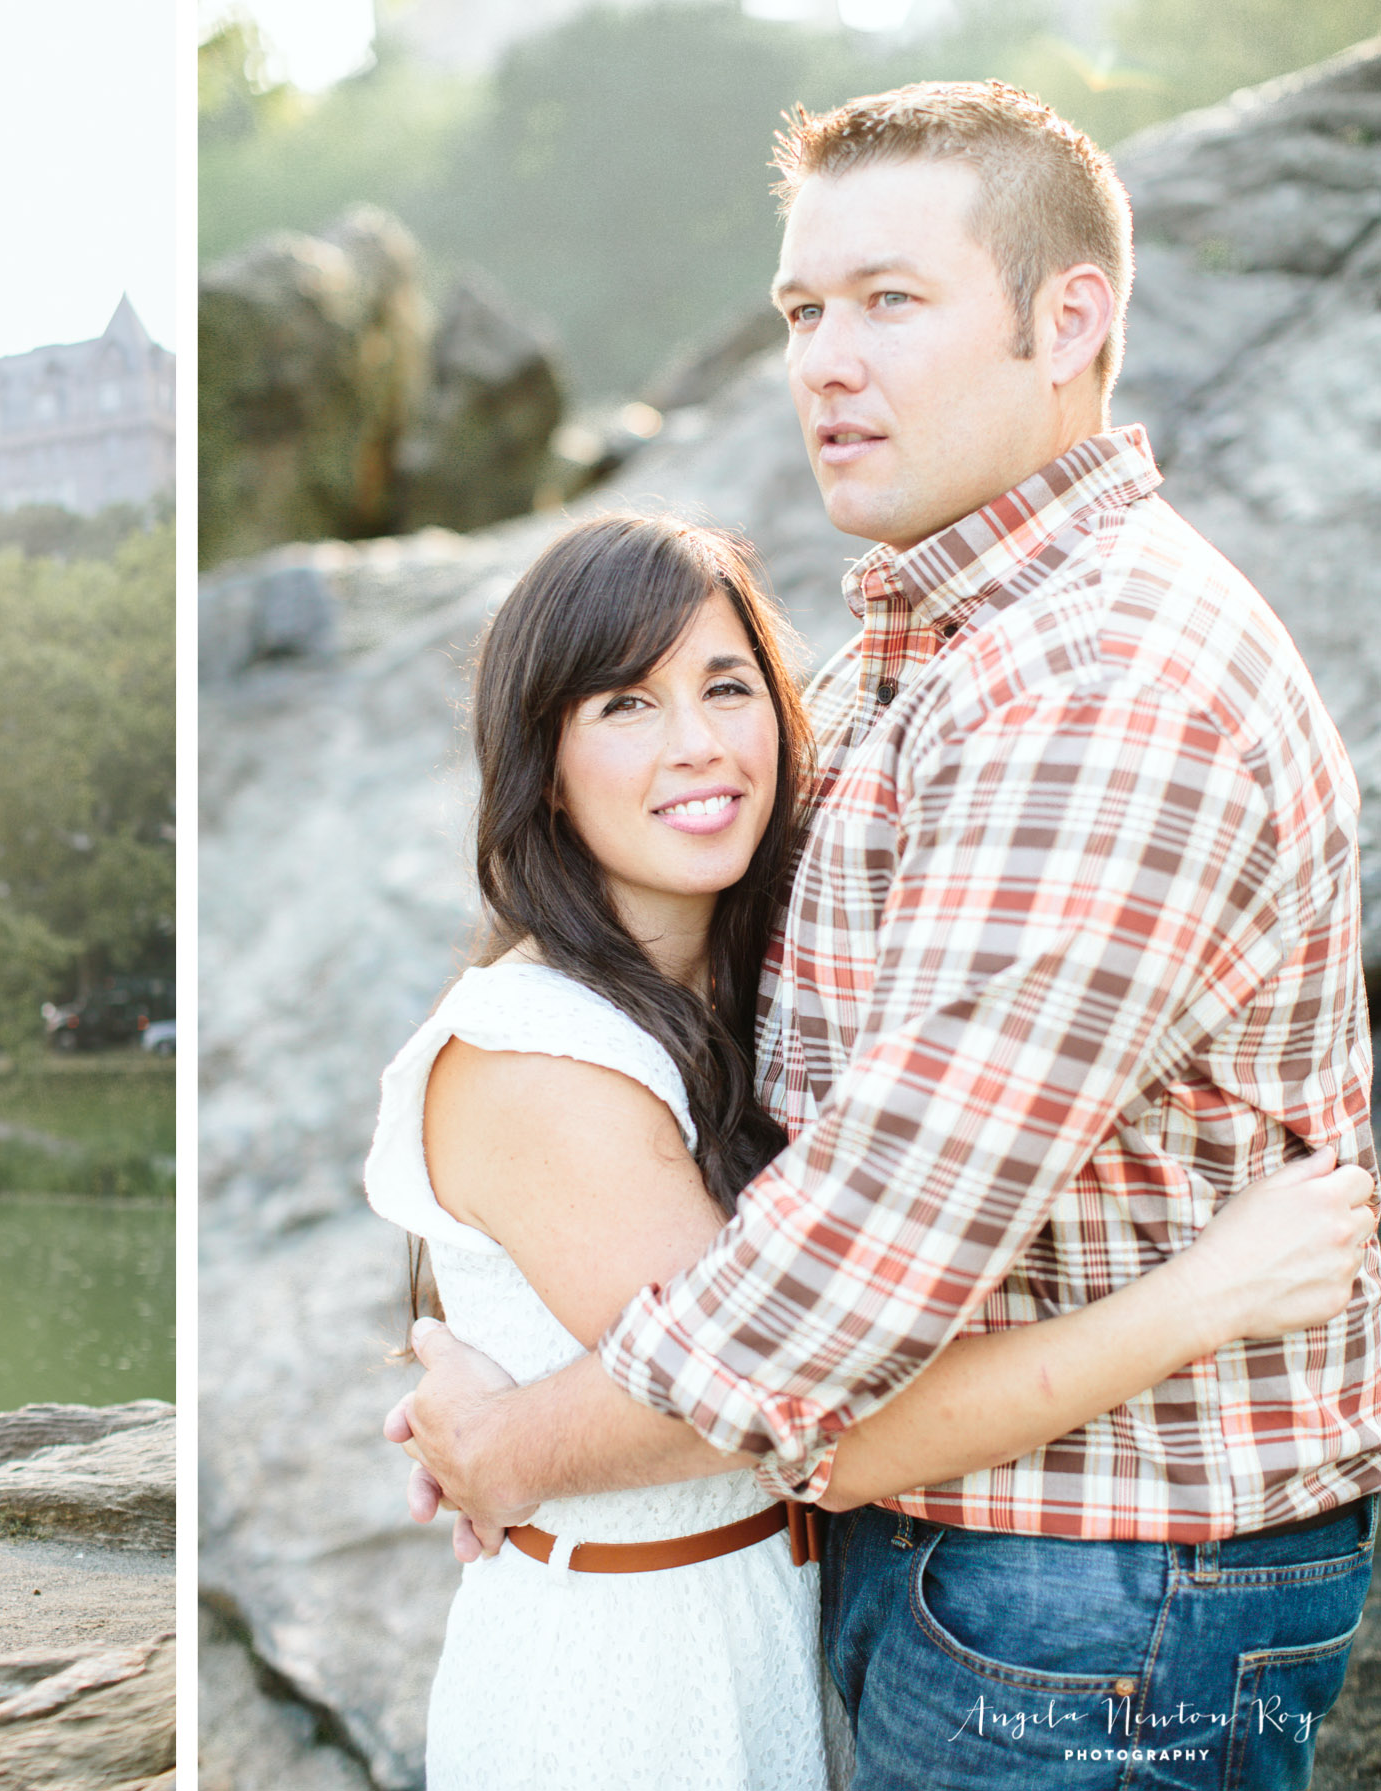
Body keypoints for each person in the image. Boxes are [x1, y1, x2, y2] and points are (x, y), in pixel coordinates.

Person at [394, 81, 1381, 1789]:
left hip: (1096, 1590)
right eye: (801, 310)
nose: (823, 362)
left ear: (1068, 319)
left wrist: (516, 1439)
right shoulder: (946, 645)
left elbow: (865, 1250)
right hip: (985, 1583)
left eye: (890, 303)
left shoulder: (1100, 682)